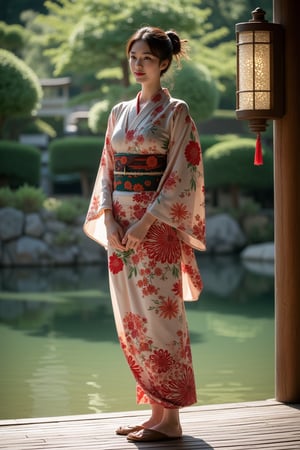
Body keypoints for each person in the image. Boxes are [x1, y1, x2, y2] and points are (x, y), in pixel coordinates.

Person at [83, 26, 206, 442]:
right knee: (133, 321)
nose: (138, 65)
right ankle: (155, 413)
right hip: (121, 229)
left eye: (147, 59)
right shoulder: (119, 111)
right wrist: (111, 219)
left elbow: (181, 174)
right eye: (133, 57)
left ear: (164, 63)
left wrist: (145, 221)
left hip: (155, 231)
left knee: (161, 321)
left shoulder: (177, 113)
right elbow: (107, 168)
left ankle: (171, 420)